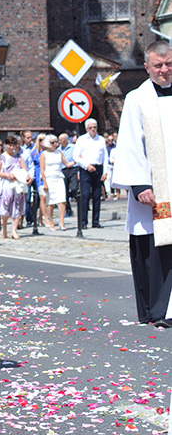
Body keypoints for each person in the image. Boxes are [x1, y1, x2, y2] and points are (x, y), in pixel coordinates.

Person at [112, 40, 172, 328]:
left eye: (169, 63)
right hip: (154, 190)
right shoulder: (137, 98)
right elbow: (130, 143)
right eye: (158, 65)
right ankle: (155, 310)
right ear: (147, 67)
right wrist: (139, 184)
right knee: (154, 246)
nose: (164, 70)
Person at [73, 118, 109, 229]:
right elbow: (75, 156)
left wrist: (105, 171)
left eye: (94, 127)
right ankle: (83, 221)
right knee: (85, 195)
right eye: (90, 128)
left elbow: (105, 156)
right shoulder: (82, 140)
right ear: (86, 128)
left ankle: (95, 221)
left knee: (97, 195)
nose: (93, 130)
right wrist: (86, 165)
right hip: (86, 169)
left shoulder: (101, 139)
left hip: (98, 168)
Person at [0, 135, 31, 239]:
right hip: (6, 184)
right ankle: (4, 227)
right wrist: (7, 175)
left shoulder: (19, 157)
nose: (11, 148)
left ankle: (14, 230)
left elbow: (24, 169)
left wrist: (27, 176)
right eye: (9, 145)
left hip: (17, 185)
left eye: (13, 145)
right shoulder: (1, 157)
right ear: (5, 145)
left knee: (17, 207)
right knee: (5, 207)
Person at [39, 134, 74, 231]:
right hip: (49, 178)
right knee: (50, 202)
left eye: (56, 142)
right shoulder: (44, 154)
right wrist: (45, 183)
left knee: (62, 200)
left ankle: (62, 222)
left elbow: (67, 164)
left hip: (59, 177)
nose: (55, 144)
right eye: (52, 142)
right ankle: (51, 221)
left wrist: (76, 161)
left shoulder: (59, 152)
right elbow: (42, 170)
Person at [59, 133, 77, 217]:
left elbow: (77, 158)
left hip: (73, 168)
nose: (59, 142)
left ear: (65, 140)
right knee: (64, 191)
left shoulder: (73, 147)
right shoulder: (59, 149)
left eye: (60, 140)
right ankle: (68, 209)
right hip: (63, 170)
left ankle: (78, 201)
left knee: (74, 188)